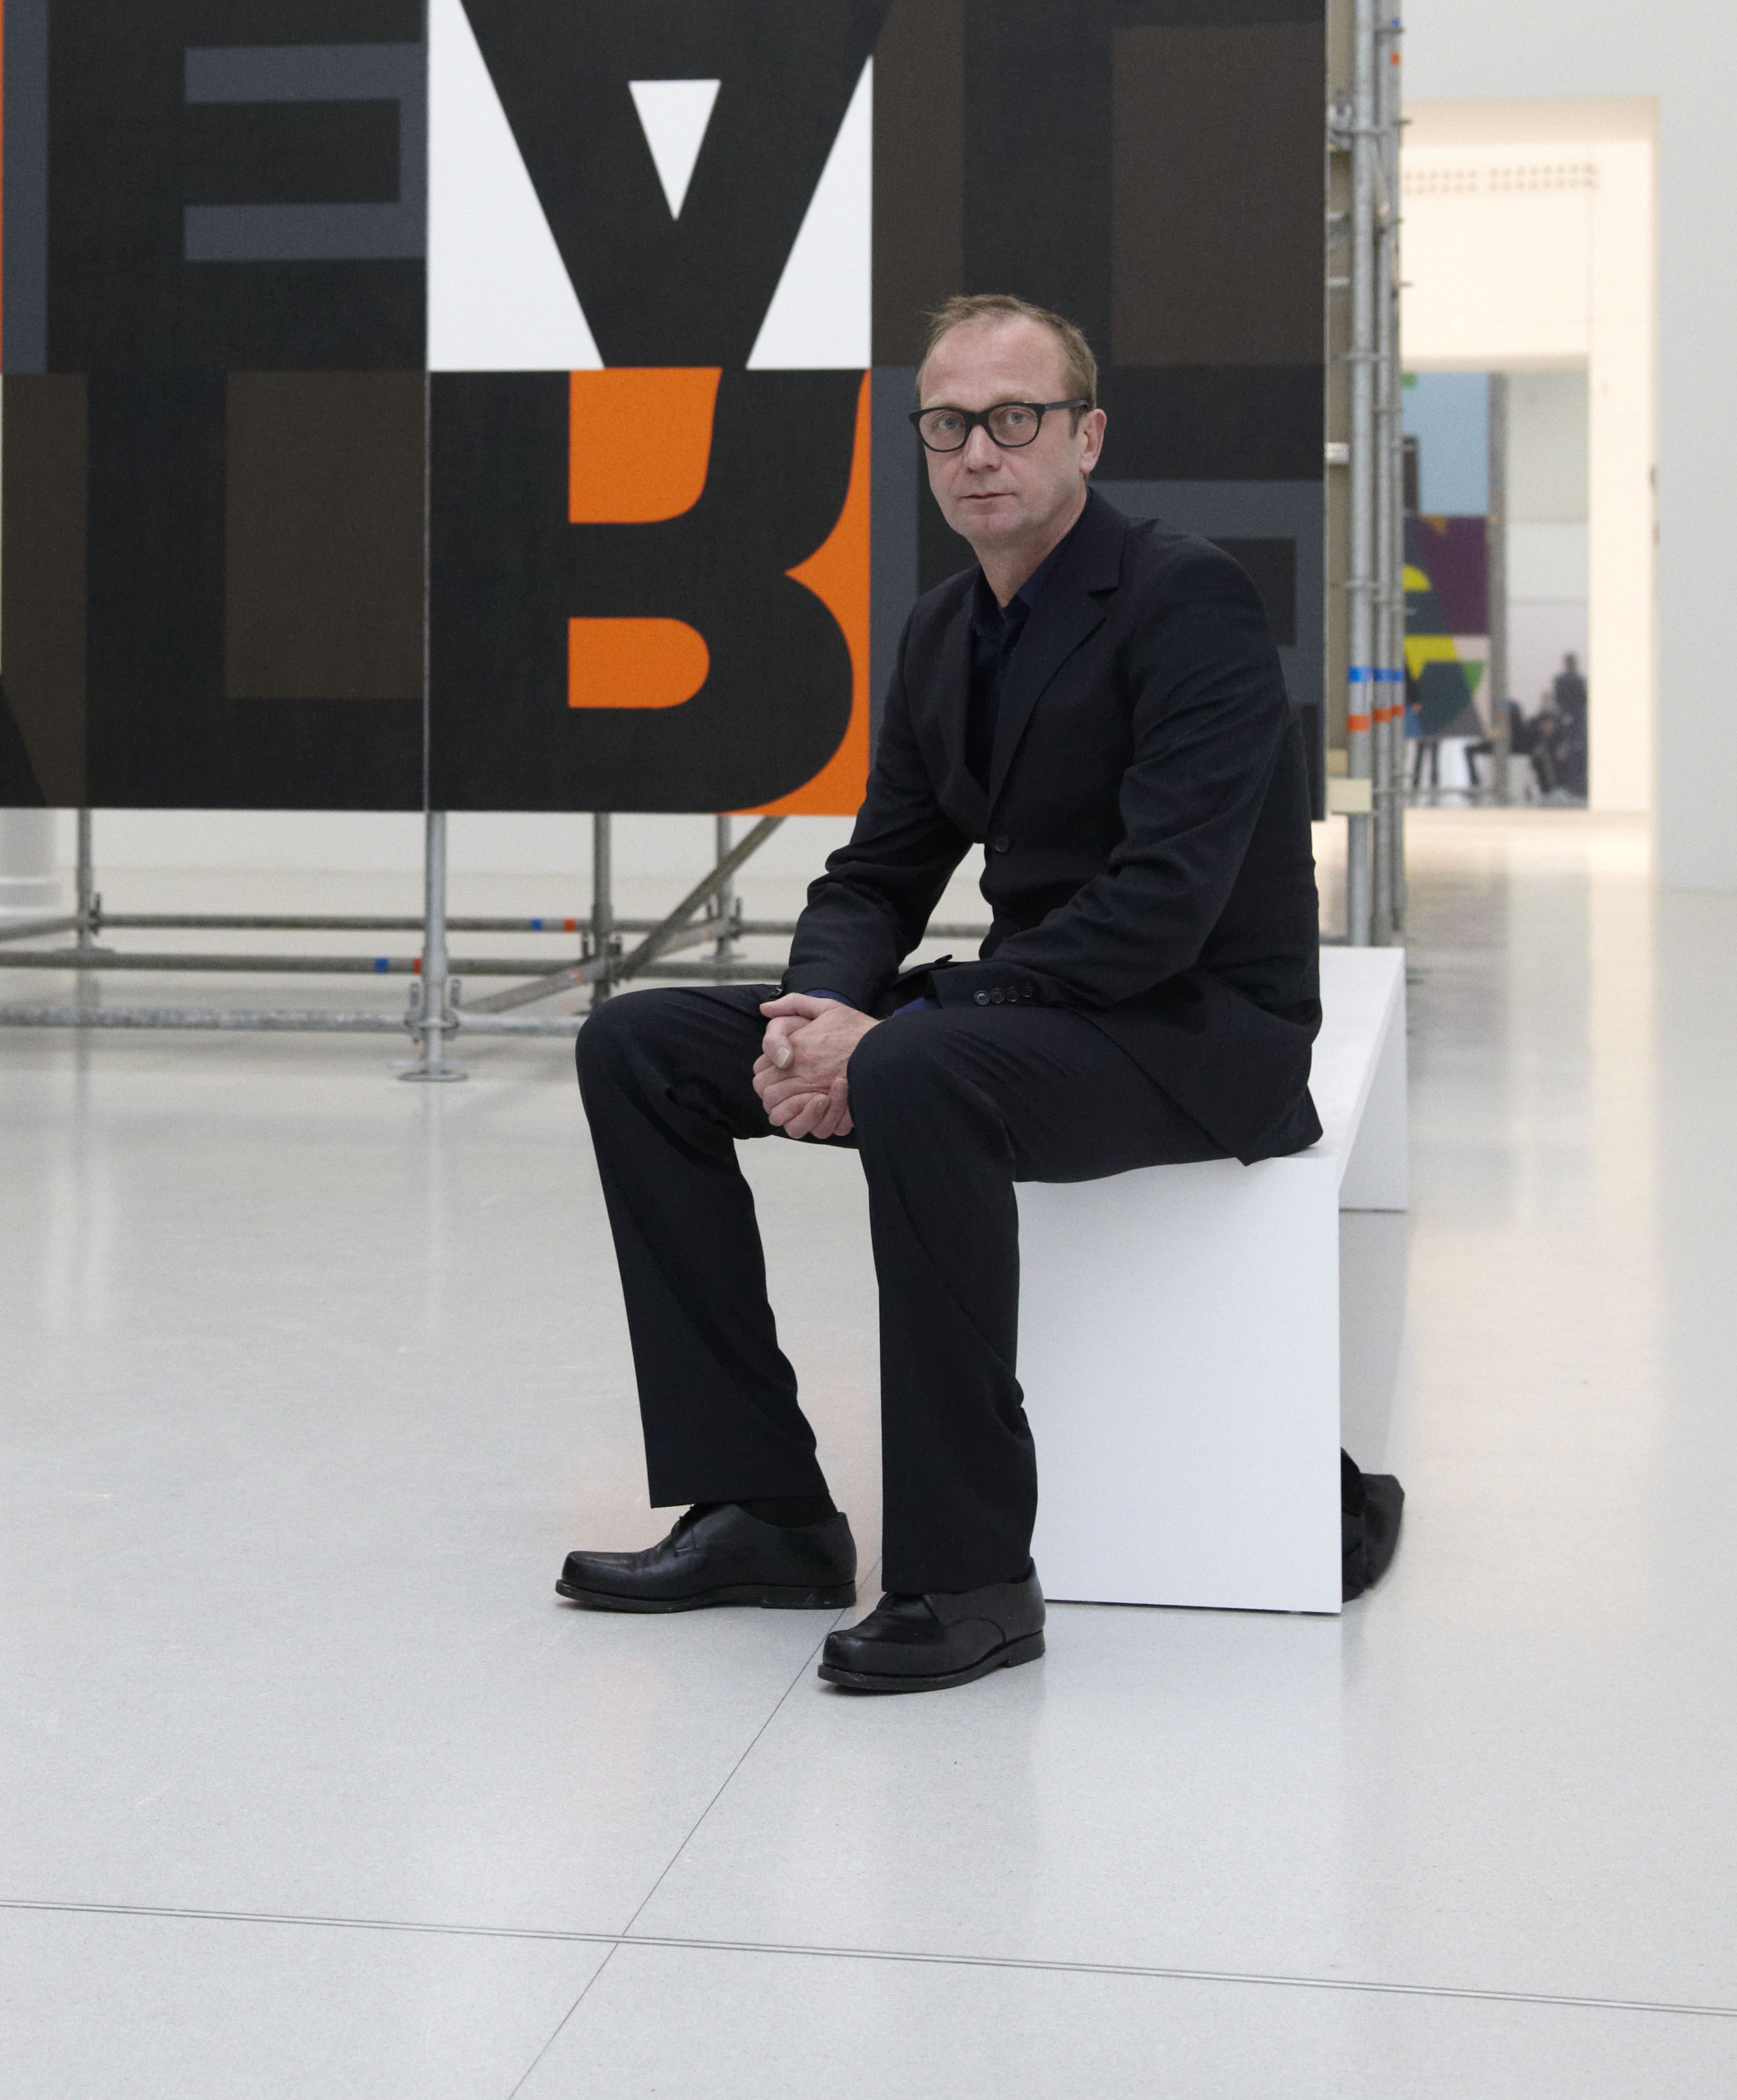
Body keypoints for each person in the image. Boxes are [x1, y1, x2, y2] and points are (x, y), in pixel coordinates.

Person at [558, 293, 1326, 1695]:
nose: (979, 449)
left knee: (913, 1068)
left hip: (1195, 1030)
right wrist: (809, 1019)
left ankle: (970, 1577)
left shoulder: (1186, 598)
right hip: (1039, 1011)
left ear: (1087, 436)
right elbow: (877, 873)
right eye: (949, 424)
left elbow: (1164, 907)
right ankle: (767, 1509)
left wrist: (902, 1027)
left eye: (1015, 418)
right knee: (639, 1043)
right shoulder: (938, 630)